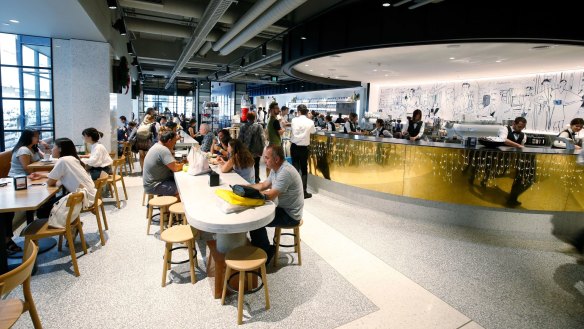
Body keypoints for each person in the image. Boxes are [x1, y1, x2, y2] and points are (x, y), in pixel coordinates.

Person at [247, 145, 304, 263]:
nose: (264, 161)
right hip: (283, 208)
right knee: (255, 216)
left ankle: (265, 253)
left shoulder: (285, 172)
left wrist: (249, 194)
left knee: (256, 221)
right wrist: (246, 187)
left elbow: (270, 195)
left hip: (290, 215)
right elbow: (263, 185)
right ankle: (261, 248)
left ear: (276, 159)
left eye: (267, 158)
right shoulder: (275, 169)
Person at [36, 138, 97, 219]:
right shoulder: (72, 158)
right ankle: (72, 226)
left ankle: (64, 228)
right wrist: (43, 175)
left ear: (60, 149)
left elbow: (50, 182)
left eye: (54, 147)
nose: (52, 149)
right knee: (49, 204)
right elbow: (60, 175)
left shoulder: (63, 160)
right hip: (88, 195)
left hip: (81, 199)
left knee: (41, 211)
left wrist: (46, 177)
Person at [142, 130, 184, 196]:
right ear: (169, 141)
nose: (175, 144)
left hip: (152, 183)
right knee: (183, 189)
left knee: (180, 181)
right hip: (155, 185)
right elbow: (175, 168)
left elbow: (172, 161)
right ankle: (172, 205)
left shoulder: (157, 146)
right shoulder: (163, 150)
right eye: (174, 142)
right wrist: (184, 165)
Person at [290, 104, 316, 199]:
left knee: (295, 168)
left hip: (294, 147)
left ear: (299, 111)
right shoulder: (310, 122)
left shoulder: (293, 120)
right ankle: (304, 192)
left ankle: (294, 190)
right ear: (306, 112)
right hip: (304, 148)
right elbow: (313, 131)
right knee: (304, 169)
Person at [238, 111, 265, 183]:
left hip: (246, 150)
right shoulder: (259, 127)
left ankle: (247, 179)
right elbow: (262, 138)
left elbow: (240, 139)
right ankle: (256, 179)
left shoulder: (243, 127)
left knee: (247, 165)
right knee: (256, 165)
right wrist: (262, 149)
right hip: (256, 150)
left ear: (247, 118)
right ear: (255, 118)